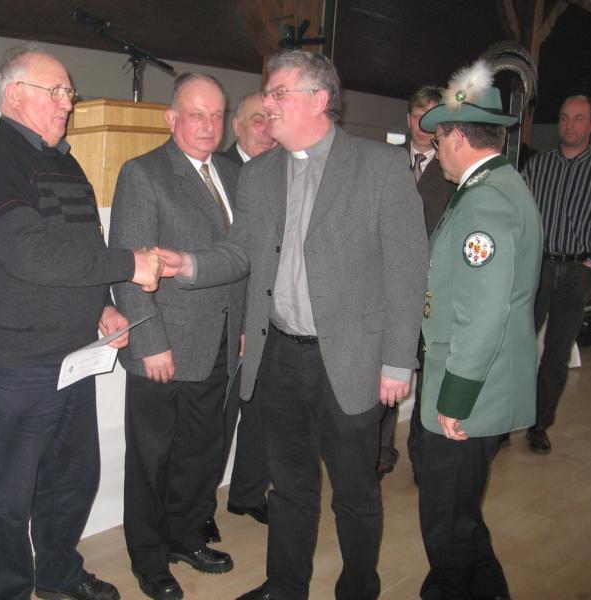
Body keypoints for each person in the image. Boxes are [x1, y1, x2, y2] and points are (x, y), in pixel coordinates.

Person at [157, 50, 428, 600]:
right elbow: (240, 251)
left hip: (350, 358)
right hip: (279, 355)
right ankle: (285, 586)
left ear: (319, 99)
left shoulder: (379, 167)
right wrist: (188, 264)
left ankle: (358, 588)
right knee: (289, 486)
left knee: (355, 492)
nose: (269, 104)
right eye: (268, 93)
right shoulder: (259, 174)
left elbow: (407, 270)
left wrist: (399, 360)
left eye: (280, 93)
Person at [0, 43, 162, 600]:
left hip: (71, 355)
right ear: (15, 94)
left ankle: (58, 575)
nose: (68, 101)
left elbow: (78, 249)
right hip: (14, 362)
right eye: (58, 91)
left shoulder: (63, 161)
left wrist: (102, 304)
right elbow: (31, 254)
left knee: (70, 481)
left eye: (69, 92)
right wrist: (130, 265)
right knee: (6, 495)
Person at [108, 73, 245, 600]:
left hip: (221, 340)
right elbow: (129, 265)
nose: (208, 125)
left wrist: (243, 327)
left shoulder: (233, 172)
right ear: (171, 119)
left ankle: (185, 536)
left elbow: (243, 258)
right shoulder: (143, 173)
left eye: (216, 115)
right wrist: (149, 343)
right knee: (152, 459)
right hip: (164, 343)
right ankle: (149, 558)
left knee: (202, 451)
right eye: (196, 114)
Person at [416, 60, 543, 599]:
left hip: (468, 393)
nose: (438, 150)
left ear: (458, 138)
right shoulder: (499, 185)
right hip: (481, 383)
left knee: (446, 521)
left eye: (439, 138)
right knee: (461, 516)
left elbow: (484, 310)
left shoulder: (484, 201)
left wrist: (456, 398)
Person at [200, 92, 275, 543]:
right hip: (228, 318)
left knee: (263, 412)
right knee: (217, 419)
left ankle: (247, 492)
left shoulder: (283, 171)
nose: (267, 129)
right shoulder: (216, 171)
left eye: (272, 119)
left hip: (273, 315)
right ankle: (199, 507)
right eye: (258, 120)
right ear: (237, 126)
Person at [521, 94, 591, 454]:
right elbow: (518, 212)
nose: (568, 125)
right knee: (518, 344)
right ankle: (507, 418)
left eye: (577, 119)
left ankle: (538, 425)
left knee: (556, 355)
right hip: (538, 267)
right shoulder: (538, 166)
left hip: (578, 271)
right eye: (563, 118)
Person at [377, 85, 456, 480]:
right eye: (419, 115)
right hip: (386, 288)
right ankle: (381, 450)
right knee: (386, 369)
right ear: (409, 120)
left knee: (428, 375)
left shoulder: (453, 168)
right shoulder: (384, 161)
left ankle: (422, 453)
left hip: (433, 290)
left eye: (433, 116)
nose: (425, 124)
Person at [222, 92, 277, 165]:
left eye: (273, 121)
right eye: (258, 121)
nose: (268, 131)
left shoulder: (287, 167)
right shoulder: (217, 169)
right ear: (237, 126)